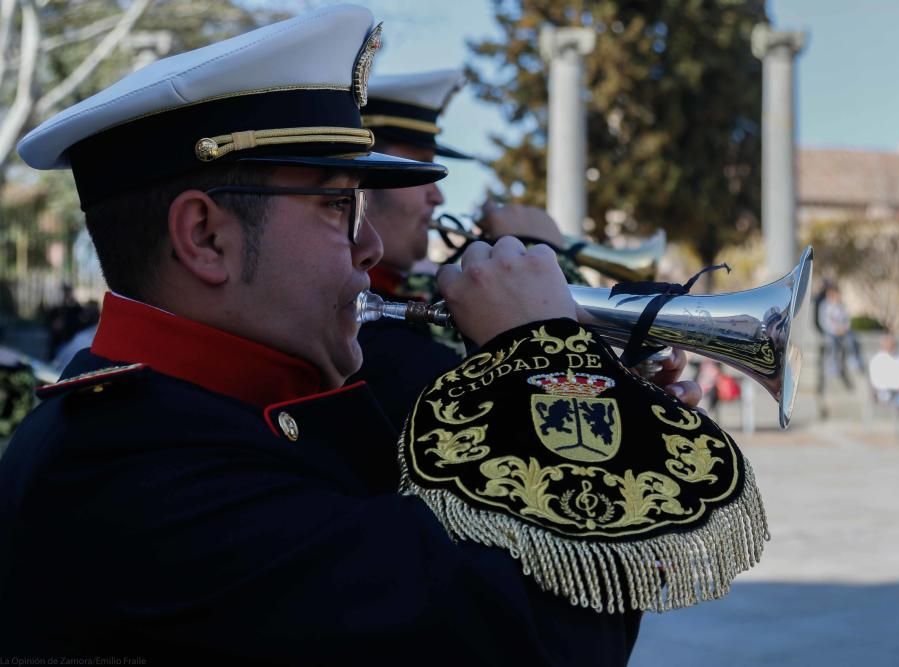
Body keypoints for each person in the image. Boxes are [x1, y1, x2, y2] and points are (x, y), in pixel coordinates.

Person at [0, 7, 766, 664]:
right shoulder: (129, 476)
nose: (367, 248)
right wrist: (544, 363)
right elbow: (526, 634)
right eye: (337, 207)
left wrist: (587, 391)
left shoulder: (227, 411)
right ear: (205, 237)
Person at [353, 69, 700, 429]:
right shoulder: (365, 323)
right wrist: (545, 251)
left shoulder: (395, 305)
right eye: (419, 167)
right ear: (362, 179)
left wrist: (636, 395)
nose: (438, 194)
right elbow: (537, 425)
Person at [818, 284, 863, 391]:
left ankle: (853, 359)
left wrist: (844, 328)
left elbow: (847, 320)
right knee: (832, 342)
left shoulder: (841, 305)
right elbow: (824, 322)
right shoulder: (824, 306)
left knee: (850, 339)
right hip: (831, 332)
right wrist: (835, 330)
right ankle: (833, 365)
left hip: (843, 331)